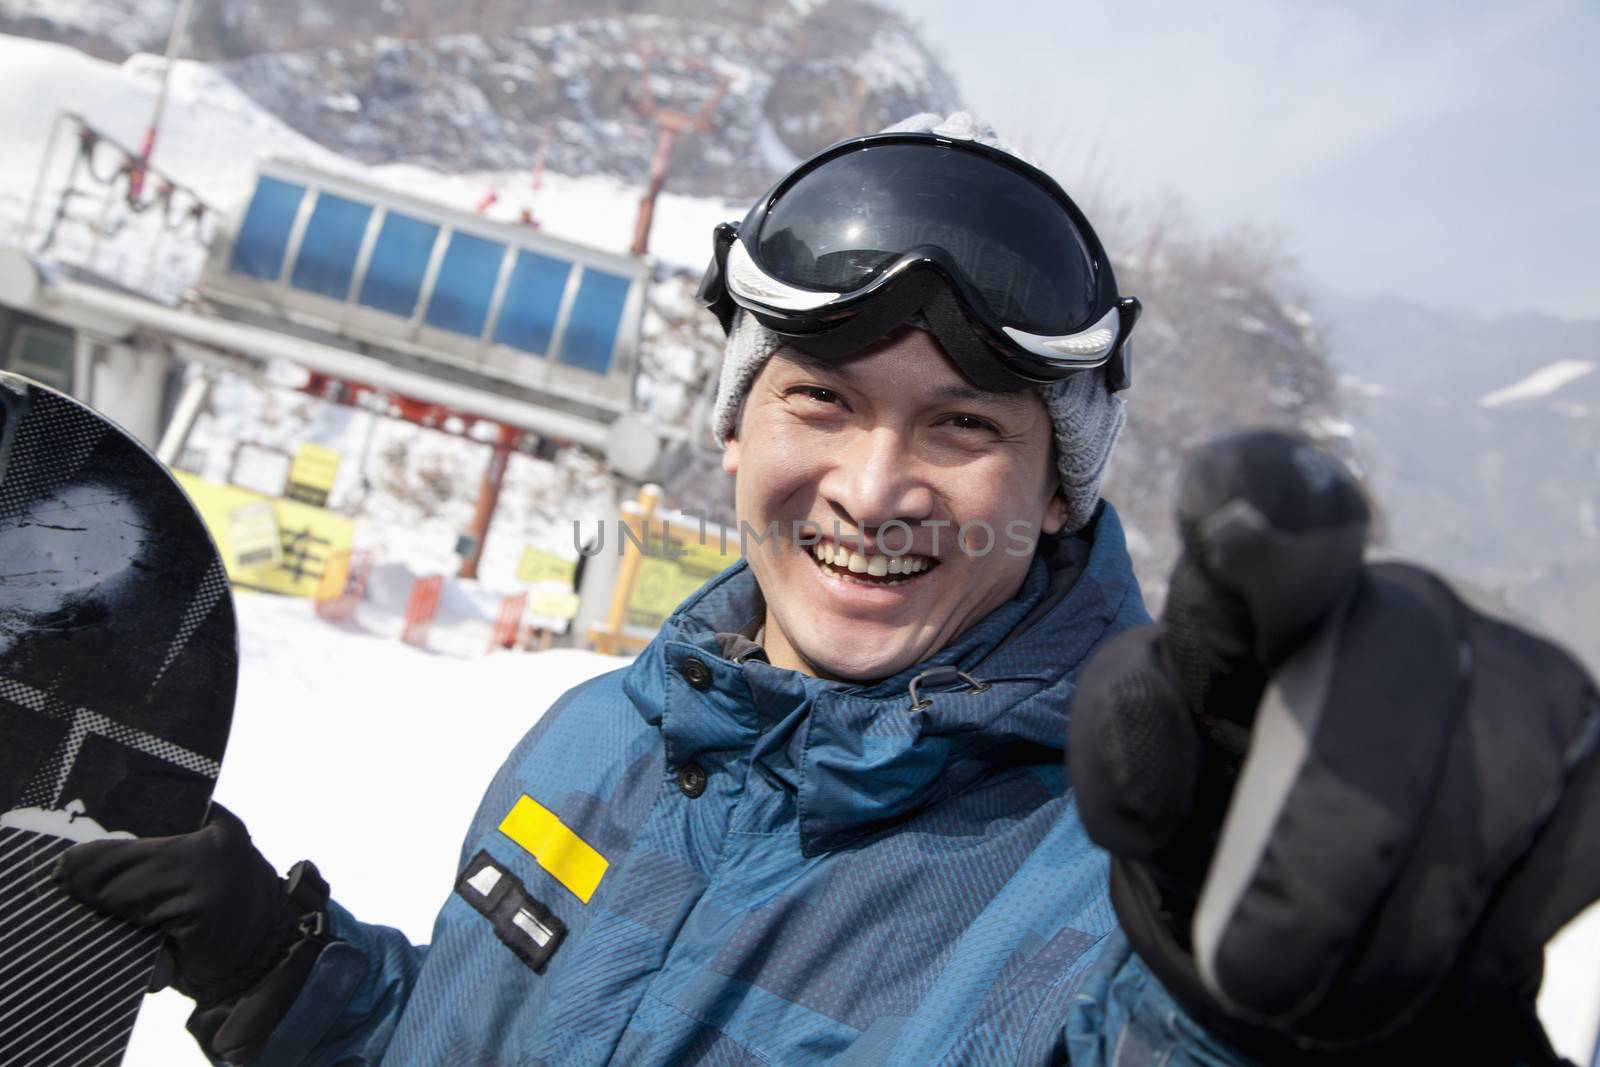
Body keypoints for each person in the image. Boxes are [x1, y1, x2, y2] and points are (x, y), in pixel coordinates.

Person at [55, 113, 1599, 1066]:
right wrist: (284, 972)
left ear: (1060, 489)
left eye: (964, 428)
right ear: (735, 427)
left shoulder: (1135, 878)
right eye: (820, 401)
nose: (871, 488)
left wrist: (1311, 1029)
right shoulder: (603, 741)